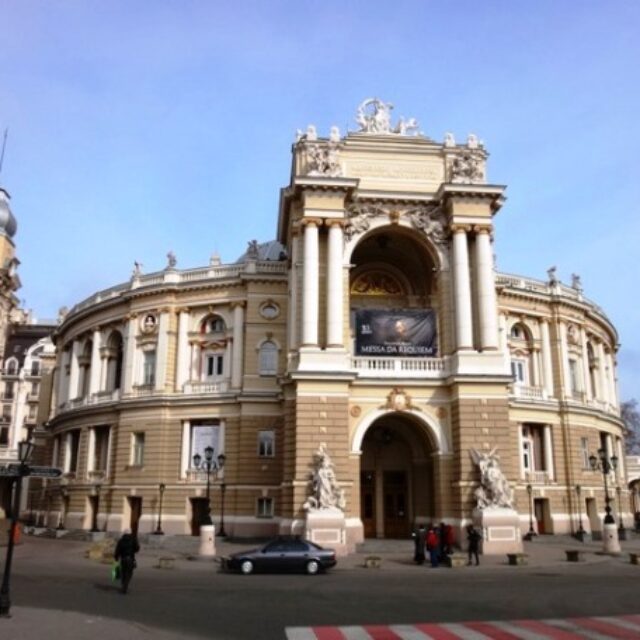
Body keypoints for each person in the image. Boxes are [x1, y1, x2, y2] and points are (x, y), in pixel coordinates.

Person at [114, 529, 140, 594]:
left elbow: (117, 550)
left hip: (123, 559)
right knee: (129, 573)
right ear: (130, 533)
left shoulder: (121, 541)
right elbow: (137, 548)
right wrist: (133, 550)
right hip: (130, 559)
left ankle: (123, 585)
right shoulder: (133, 540)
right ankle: (125, 586)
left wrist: (116, 558)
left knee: (123, 572)